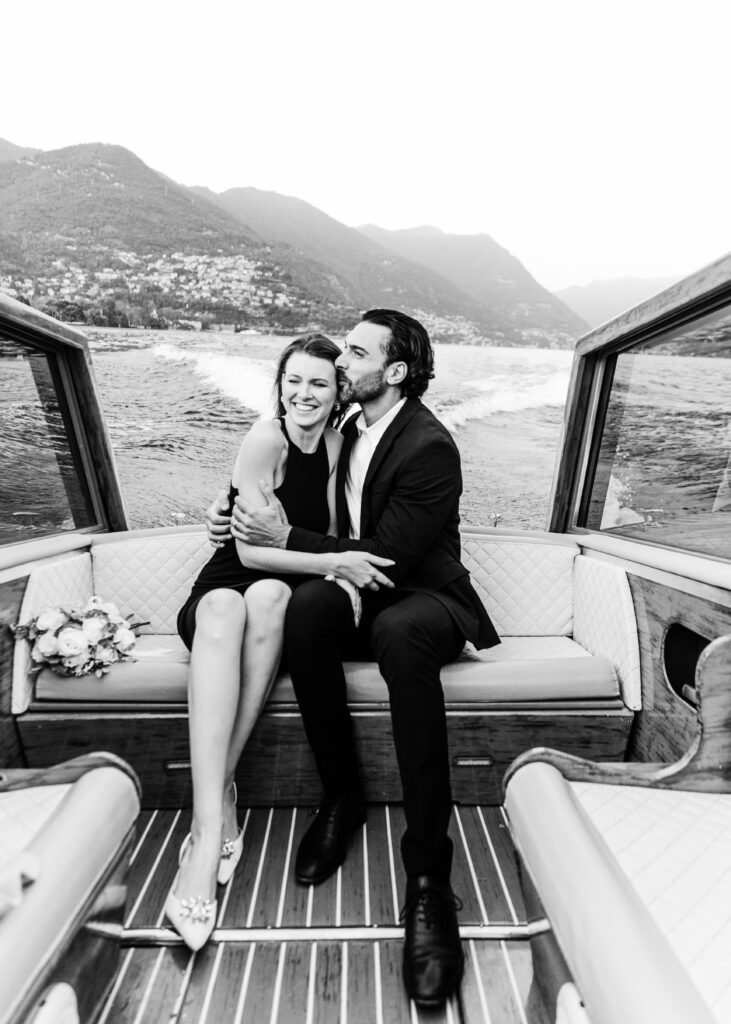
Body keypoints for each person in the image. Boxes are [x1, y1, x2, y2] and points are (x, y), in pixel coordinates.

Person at [210, 309, 499, 1006]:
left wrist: (290, 534)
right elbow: (287, 492)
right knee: (307, 610)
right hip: (355, 585)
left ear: (393, 372)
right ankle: (344, 796)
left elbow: (389, 559)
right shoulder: (344, 426)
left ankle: (428, 880)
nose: (342, 359)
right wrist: (226, 515)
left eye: (356, 351)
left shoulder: (429, 445)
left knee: (399, 635)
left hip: (423, 596)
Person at [167, 333, 394, 951]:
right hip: (224, 586)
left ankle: (222, 788)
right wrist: (336, 565)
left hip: (276, 590)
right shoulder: (266, 438)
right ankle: (207, 832)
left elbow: (325, 531)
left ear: (338, 390)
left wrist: (337, 561)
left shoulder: (343, 444)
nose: (304, 394)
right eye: (294, 380)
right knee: (226, 604)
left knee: (269, 597)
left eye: (319, 382)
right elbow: (244, 549)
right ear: (280, 384)